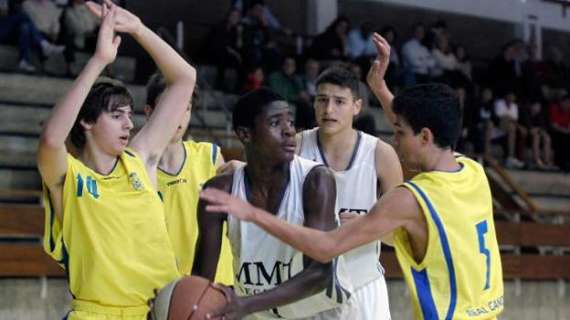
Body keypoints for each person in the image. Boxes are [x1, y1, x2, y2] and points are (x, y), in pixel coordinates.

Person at [202, 33, 504, 320]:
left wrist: (252, 213)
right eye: (322, 100)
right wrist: (379, 87)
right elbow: (419, 125)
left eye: (399, 132)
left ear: (425, 136)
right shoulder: (471, 171)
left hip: (374, 286)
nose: (394, 139)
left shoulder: (409, 199)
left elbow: (324, 248)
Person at [37, 1, 196, 318]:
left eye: (130, 115)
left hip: (155, 312)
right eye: (116, 115)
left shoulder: (142, 160)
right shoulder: (69, 177)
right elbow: (51, 140)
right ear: (88, 122)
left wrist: (138, 29)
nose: (129, 124)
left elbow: (184, 78)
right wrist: (99, 60)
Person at [192, 88, 357, 319]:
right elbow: (201, 278)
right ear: (245, 134)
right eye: (275, 123)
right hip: (258, 313)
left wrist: (247, 304)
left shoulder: (316, 180)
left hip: (319, 312)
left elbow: (320, 273)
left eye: (290, 122)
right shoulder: (220, 190)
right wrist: (180, 300)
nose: (289, 131)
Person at [297, 66, 402, 319]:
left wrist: (368, 227)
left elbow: (399, 236)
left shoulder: (381, 154)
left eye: (339, 102)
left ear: (357, 106)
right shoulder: (296, 147)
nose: (329, 109)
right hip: (308, 286)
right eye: (322, 100)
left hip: (364, 284)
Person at [143, 73, 234, 285]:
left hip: (220, 283)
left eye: (186, 107)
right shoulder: (136, 168)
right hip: (166, 287)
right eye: (169, 106)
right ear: (149, 112)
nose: (178, 116)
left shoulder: (210, 156)